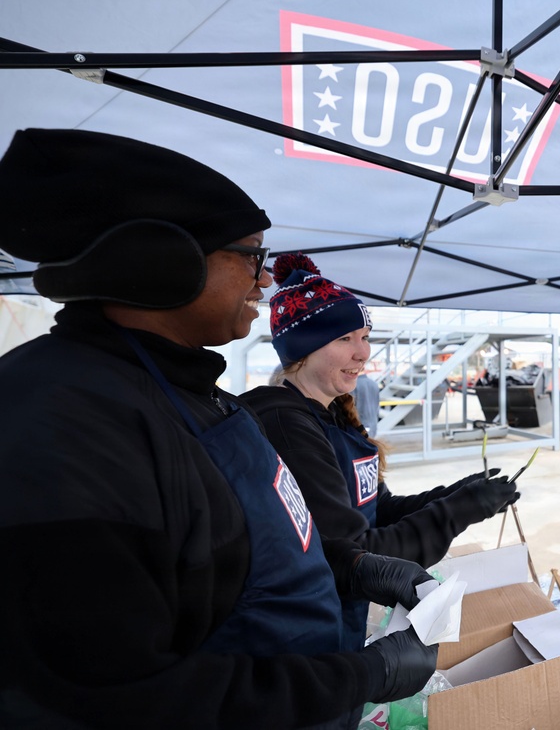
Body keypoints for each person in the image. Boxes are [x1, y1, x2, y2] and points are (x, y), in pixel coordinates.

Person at [0, 129, 438, 730]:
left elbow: (238, 551)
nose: (264, 280)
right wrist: (361, 675)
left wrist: (352, 565)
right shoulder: (60, 421)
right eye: (251, 256)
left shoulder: (197, 397)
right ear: (162, 259)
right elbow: (118, 694)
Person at [240, 253, 520, 652]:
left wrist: (457, 493)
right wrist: (458, 511)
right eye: (344, 339)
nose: (363, 353)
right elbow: (358, 555)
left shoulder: (334, 417)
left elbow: (377, 508)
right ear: (303, 348)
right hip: (306, 639)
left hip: (343, 625)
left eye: (364, 337)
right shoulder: (289, 430)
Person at [353, 372, 380, 437]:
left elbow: (351, 406)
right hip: (373, 423)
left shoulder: (354, 385)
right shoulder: (374, 384)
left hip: (359, 423)